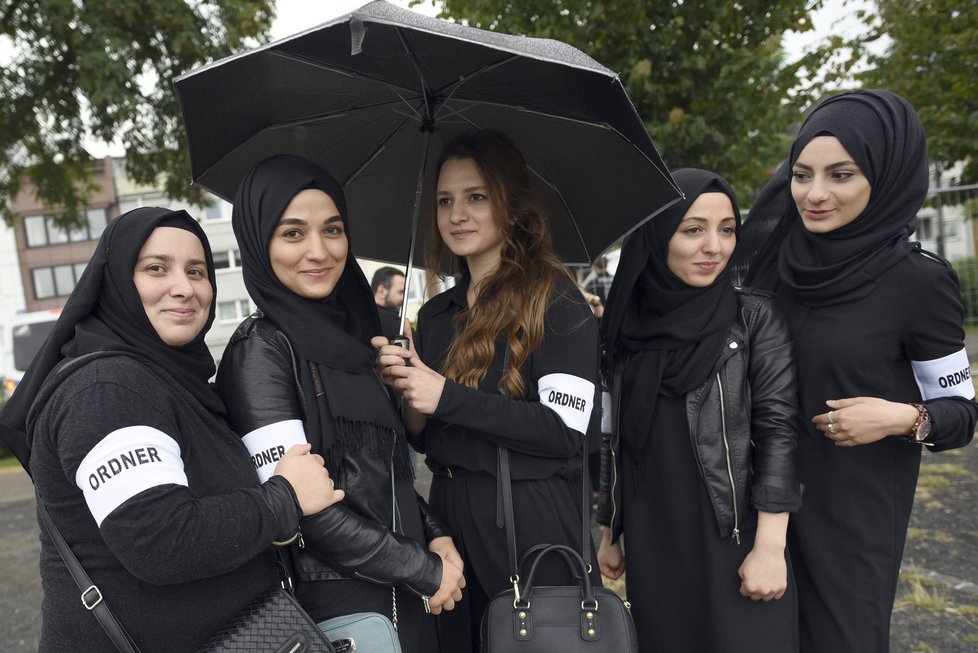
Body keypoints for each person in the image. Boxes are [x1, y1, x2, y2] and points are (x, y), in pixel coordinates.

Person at [0, 207, 341, 652]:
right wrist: (285, 498)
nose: (184, 289)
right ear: (117, 281)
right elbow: (159, 541)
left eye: (197, 272)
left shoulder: (172, 382)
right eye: (156, 268)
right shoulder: (107, 389)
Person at [739, 89, 978, 653]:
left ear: (885, 175)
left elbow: (962, 414)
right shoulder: (771, 263)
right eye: (801, 174)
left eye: (841, 175)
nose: (815, 194)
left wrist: (902, 417)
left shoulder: (919, 283)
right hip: (753, 506)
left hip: (851, 521)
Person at [217, 154, 465, 653]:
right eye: (292, 233)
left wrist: (435, 535)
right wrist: (420, 567)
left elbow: (382, 477)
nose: (318, 250)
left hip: (408, 594)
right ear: (258, 243)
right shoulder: (261, 352)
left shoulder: (359, 347)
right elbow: (300, 508)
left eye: (332, 229)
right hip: (339, 613)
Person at [374, 129, 601, 653]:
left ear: (511, 204)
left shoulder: (556, 299)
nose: (457, 214)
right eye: (444, 201)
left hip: (530, 519)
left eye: (476, 197)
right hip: (451, 516)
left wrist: (447, 395)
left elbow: (563, 433)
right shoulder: (435, 315)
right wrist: (408, 389)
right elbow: (430, 440)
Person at [595, 167, 802, 652]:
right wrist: (611, 528)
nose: (715, 246)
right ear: (658, 236)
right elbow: (613, 436)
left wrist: (771, 547)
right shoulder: (625, 330)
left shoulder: (753, 317)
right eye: (693, 230)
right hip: (653, 531)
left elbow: (778, 431)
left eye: (727, 229)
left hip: (730, 529)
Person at [372, 265, 407, 337]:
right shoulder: (399, 328)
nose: (404, 298)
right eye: (401, 292)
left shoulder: (358, 319)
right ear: (382, 291)